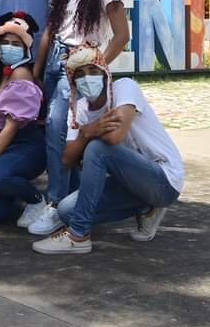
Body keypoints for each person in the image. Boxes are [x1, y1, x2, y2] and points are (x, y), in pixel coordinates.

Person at [27, 0, 130, 236]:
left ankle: (57, 202)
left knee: (62, 127)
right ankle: (64, 196)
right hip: (54, 63)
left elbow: (121, 35)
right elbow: (49, 32)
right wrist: (37, 70)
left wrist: (97, 66)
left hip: (81, 61)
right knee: (54, 130)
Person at [32, 45, 183, 254]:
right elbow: (66, 160)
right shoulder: (80, 109)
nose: (87, 78)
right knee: (67, 211)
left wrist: (88, 136)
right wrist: (86, 132)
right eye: (80, 74)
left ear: (104, 74)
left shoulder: (124, 87)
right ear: (73, 80)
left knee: (98, 147)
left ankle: (78, 235)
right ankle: (147, 208)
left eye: (93, 71)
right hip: (129, 182)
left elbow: (114, 137)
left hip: (164, 179)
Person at [0, 12, 47, 226]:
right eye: (5, 42)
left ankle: (37, 200)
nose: (9, 47)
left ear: (25, 48)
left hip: (24, 143)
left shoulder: (21, 74)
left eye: (16, 44)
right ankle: (14, 190)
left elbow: (10, 127)